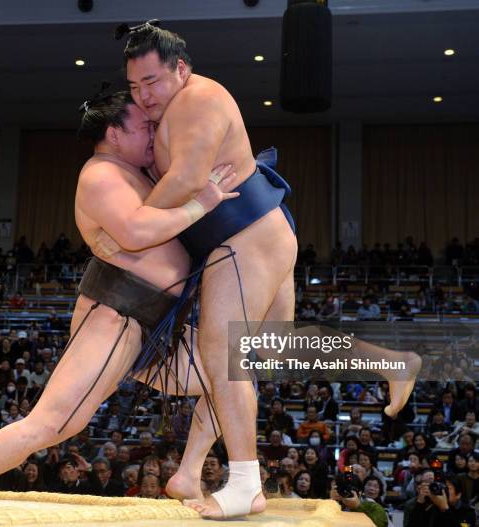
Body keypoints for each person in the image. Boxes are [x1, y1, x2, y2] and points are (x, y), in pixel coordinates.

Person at [113, 21, 421, 518]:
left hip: (245, 236)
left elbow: (189, 178)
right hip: (261, 233)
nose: (144, 95)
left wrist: (128, 225)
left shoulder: (198, 98)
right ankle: (390, 363)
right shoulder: (174, 111)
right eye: (134, 86)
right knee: (268, 350)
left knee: (223, 351)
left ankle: (243, 483)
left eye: (152, 81)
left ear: (181, 70)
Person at [0, 90, 233, 511]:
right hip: (116, 316)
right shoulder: (100, 175)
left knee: (236, 378)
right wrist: (201, 204)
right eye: (144, 126)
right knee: (53, 424)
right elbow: (134, 233)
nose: (153, 133)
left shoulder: (142, 173)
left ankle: (188, 474)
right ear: (113, 132)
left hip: (160, 323)